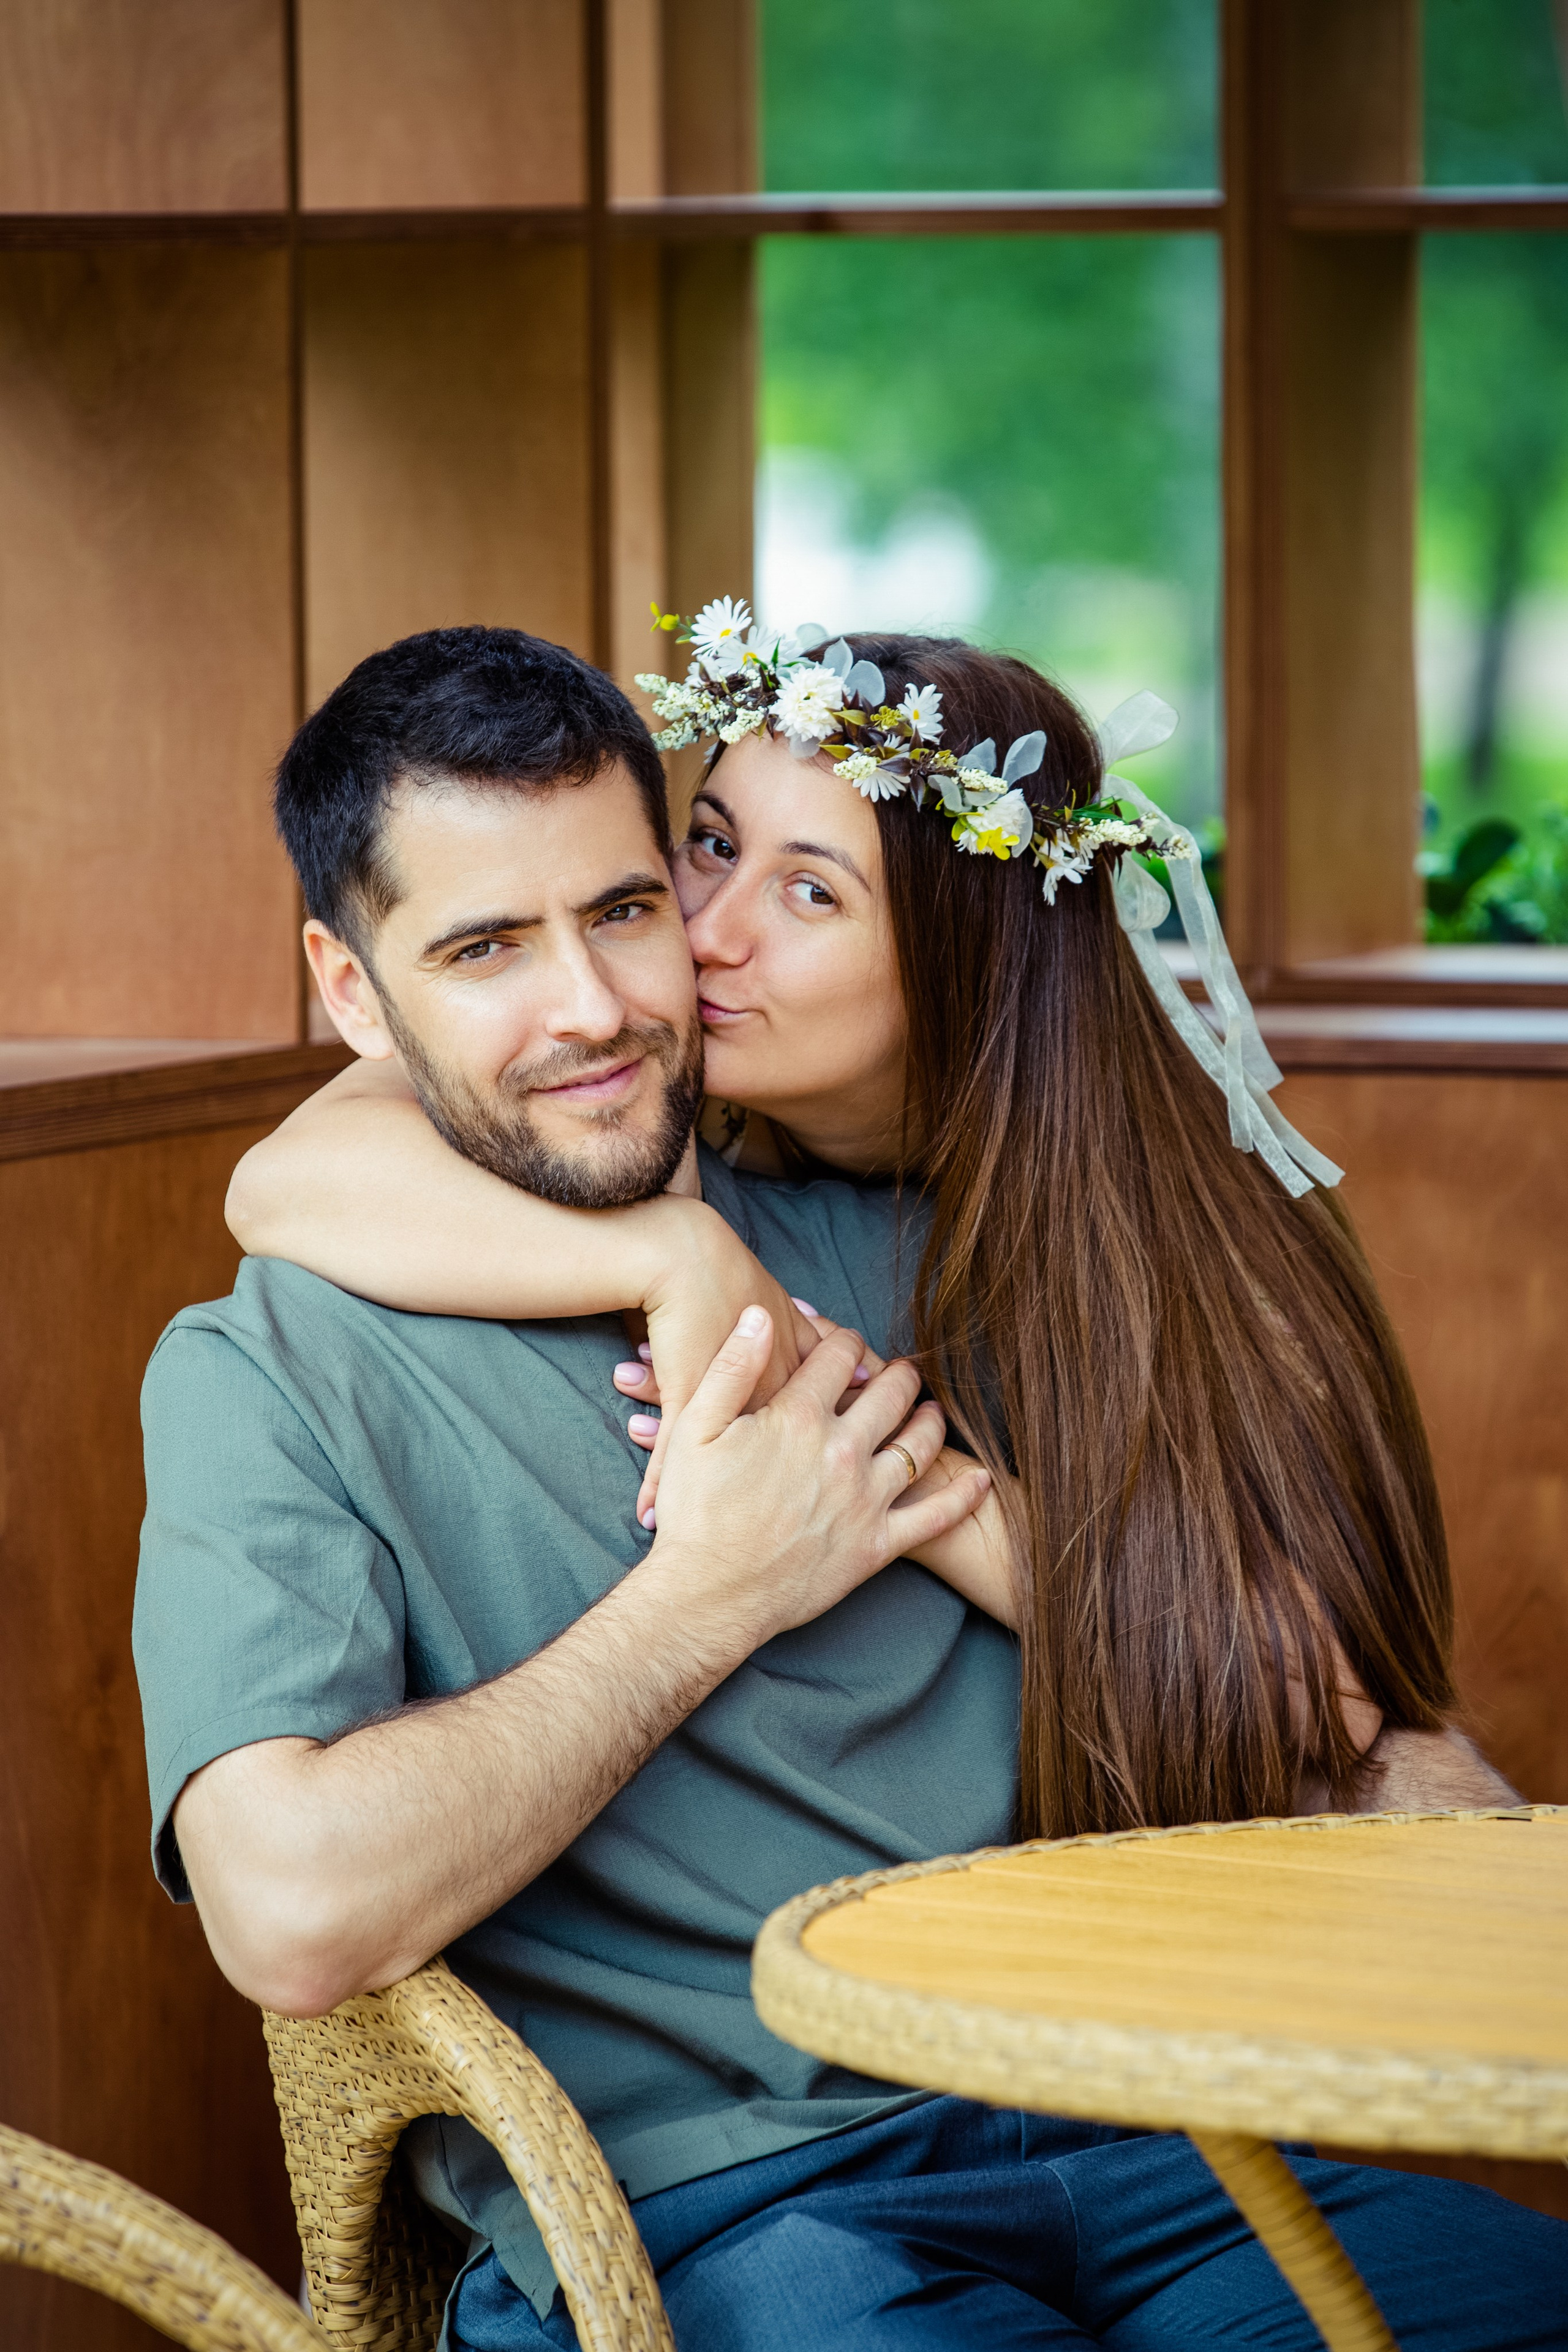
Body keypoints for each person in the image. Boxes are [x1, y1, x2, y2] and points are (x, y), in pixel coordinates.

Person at [138, 624, 1566, 2351]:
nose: (593, 1005)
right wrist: (713, 1586)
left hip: (1158, 2150)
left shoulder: (904, 1215)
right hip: (742, 2213)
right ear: (355, 994)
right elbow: (288, 1913)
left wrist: (958, 1496)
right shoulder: (273, 1371)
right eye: (487, 947)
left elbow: (1333, 1735)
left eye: (627, 909)